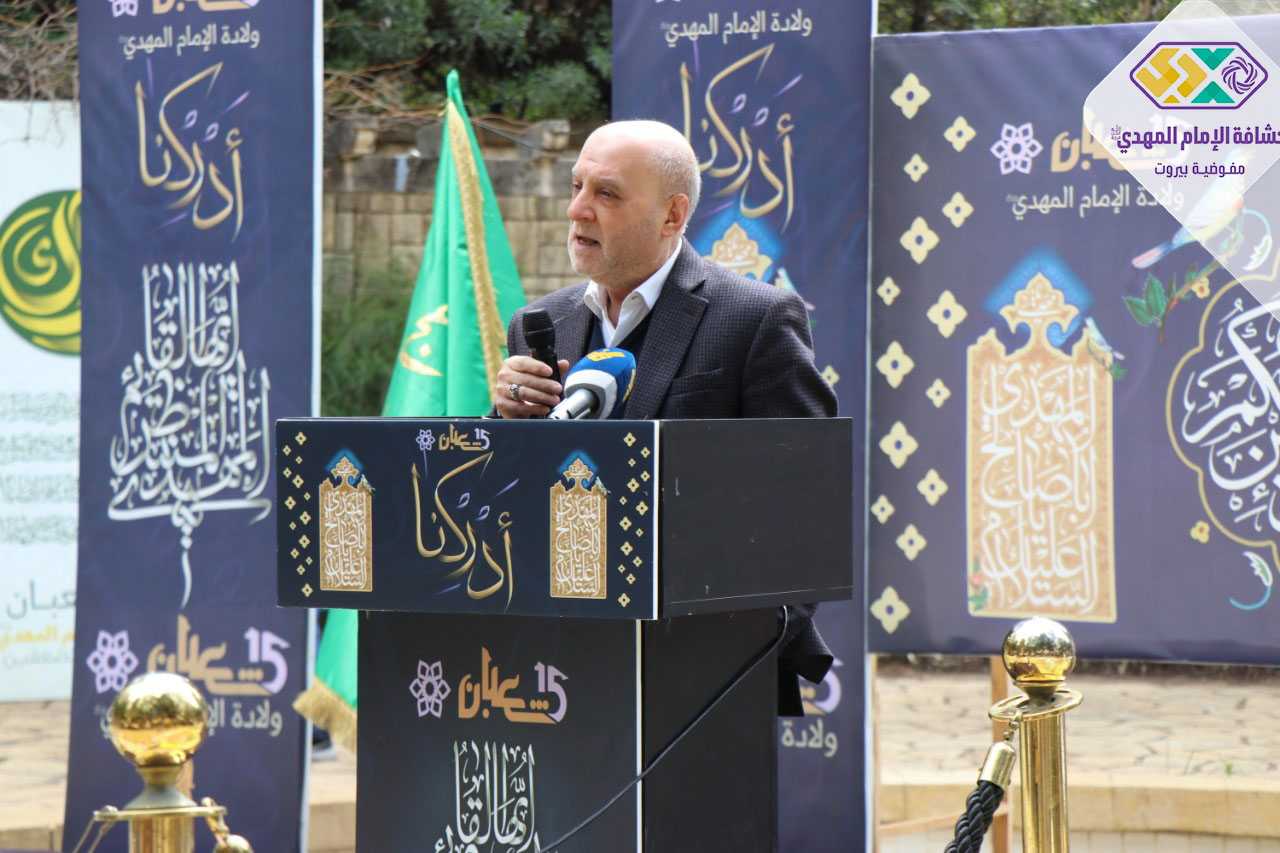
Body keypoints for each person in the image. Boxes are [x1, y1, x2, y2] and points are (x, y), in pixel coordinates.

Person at [491, 119, 837, 714]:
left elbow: (807, 496)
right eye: (576, 186)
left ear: (672, 216)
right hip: (556, 662)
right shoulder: (539, 324)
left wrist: (754, 641)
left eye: (606, 193)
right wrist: (503, 418)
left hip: (706, 666)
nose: (577, 210)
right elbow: (504, 493)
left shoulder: (754, 318)